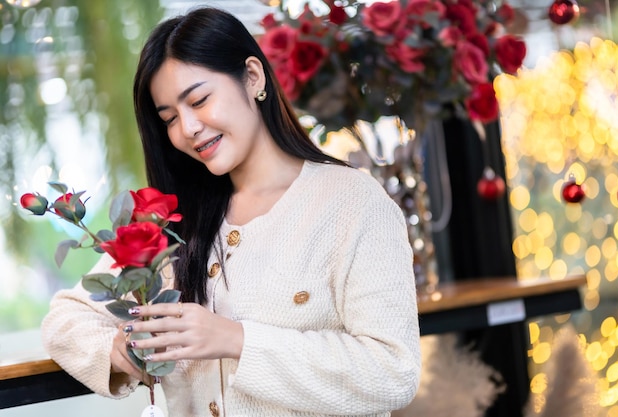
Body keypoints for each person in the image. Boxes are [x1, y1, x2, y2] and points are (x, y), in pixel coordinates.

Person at [41, 6, 421, 417]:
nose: (187, 129)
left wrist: (237, 340)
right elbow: (65, 318)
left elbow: (392, 372)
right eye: (169, 118)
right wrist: (116, 352)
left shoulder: (351, 203)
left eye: (199, 100)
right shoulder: (168, 221)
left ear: (253, 77)